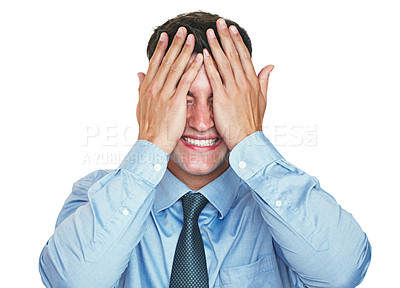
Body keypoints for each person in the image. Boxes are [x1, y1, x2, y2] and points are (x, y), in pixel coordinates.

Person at [39, 11, 371, 288]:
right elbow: (70, 281)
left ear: (249, 101)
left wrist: (248, 137)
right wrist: (152, 140)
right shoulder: (96, 195)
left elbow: (343, 271)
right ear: (149, 99)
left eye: (219, 100)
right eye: (183, 98)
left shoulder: (283, 206)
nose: (200, 121)